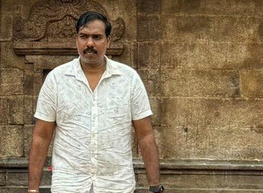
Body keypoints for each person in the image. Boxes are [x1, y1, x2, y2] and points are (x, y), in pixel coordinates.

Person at [28, 11, 162, 193]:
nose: (89, 43)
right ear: (77, 40)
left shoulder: (129, 79)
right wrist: (32, 190)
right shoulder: (56, 79)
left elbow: (145, 135)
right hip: (69, 185)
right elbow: (41, 136)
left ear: (108, 41)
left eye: (97, 37)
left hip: (116, 185)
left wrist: (155, 186)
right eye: (84, 36)